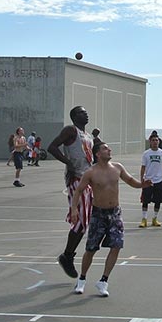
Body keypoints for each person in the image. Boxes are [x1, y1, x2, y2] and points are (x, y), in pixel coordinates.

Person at [69, 140, 150, 296]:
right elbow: (78, 191)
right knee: (91, 249)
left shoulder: (118, 168)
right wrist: (74, 209)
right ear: (98, 154)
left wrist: (143, 185)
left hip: (115, 214)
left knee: (117, 245)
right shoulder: (90, 172)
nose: (109, 150)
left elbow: (131, 181)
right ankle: (82, 279)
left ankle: (103, 281)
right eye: (105, 149)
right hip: (98, 214)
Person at [48, 106, 95, 280]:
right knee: (80, 221)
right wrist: (69, 162)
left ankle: (69, 254)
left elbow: (91, 154)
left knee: (86, 220)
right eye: (83, 112)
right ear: (75, 116)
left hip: (88, 179)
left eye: (86, 111)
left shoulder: (88, 135)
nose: (87, 113)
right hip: (76, 178)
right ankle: (67, 255)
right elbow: (52, 147)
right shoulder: (70, 130)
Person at [139, 131, 162, 227]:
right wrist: (141, 180)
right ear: (150, 142)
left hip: (159, 180)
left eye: (156, 140)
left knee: (158, 201)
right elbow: (143, 167)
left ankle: (155, 218)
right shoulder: (146, 154)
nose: (155, 142)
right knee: (145, 201)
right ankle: (144, 219)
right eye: (153, 140)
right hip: (148, 181)